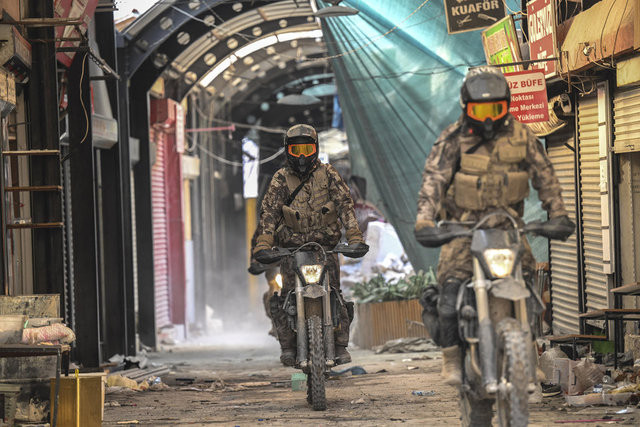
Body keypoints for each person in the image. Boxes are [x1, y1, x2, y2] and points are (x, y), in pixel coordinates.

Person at [414, 66, 574, 386]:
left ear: (507, 107)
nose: (488, 118)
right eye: (480, 110)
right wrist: (425, 220)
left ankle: (529, 352)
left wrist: (557, 213)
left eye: (496, 109)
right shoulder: (451, 139)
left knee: (532, 289)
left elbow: (545, 177)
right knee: (448, 292)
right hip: (464, 230)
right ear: (466, 108)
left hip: (510, 229)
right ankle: (452, 359)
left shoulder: (522, 136)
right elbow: (434, 181)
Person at [253, 124, 367, 366]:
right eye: (296, 150)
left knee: (336, 294)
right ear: (288, 151)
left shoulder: (329, 174)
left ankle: (339, 344)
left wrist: (355, 238)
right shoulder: (280, 179)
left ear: (315, 149)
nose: (302, 155)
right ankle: (287, 345)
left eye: (307, 149)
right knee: (282, 298)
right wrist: (264, 243)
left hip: (325, 249)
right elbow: (269, 213)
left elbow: (346, 206)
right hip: (291, 252)